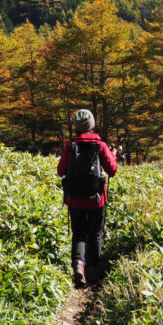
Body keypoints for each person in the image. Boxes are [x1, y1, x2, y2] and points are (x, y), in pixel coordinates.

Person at [57, 109, 117, 288]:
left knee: (79, 233)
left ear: (76, 127)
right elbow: (112, 170)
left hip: (74, 199)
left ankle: (78, 265)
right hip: (97, 198)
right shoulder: (100, 145)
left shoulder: (70, 146)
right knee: (96, 233)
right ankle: (93, 270)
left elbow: (60, 171)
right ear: (92, 125)